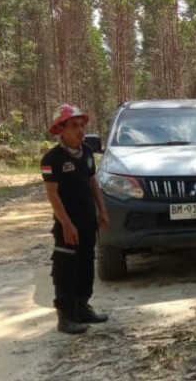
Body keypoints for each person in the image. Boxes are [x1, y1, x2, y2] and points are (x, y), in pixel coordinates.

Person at [40, 103, 110, 334]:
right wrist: (67, 223)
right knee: (66, 269)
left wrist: (102, 210)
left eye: (82, 125)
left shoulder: (87, 152)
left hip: (87, 221)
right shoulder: (53, 158)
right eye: (74, 126)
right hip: (68, 225)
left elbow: (92, 183)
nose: (81, 131)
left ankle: (82, 307)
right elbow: (53, 194)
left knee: (85, 264)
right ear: (61, 129)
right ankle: (66, 316)